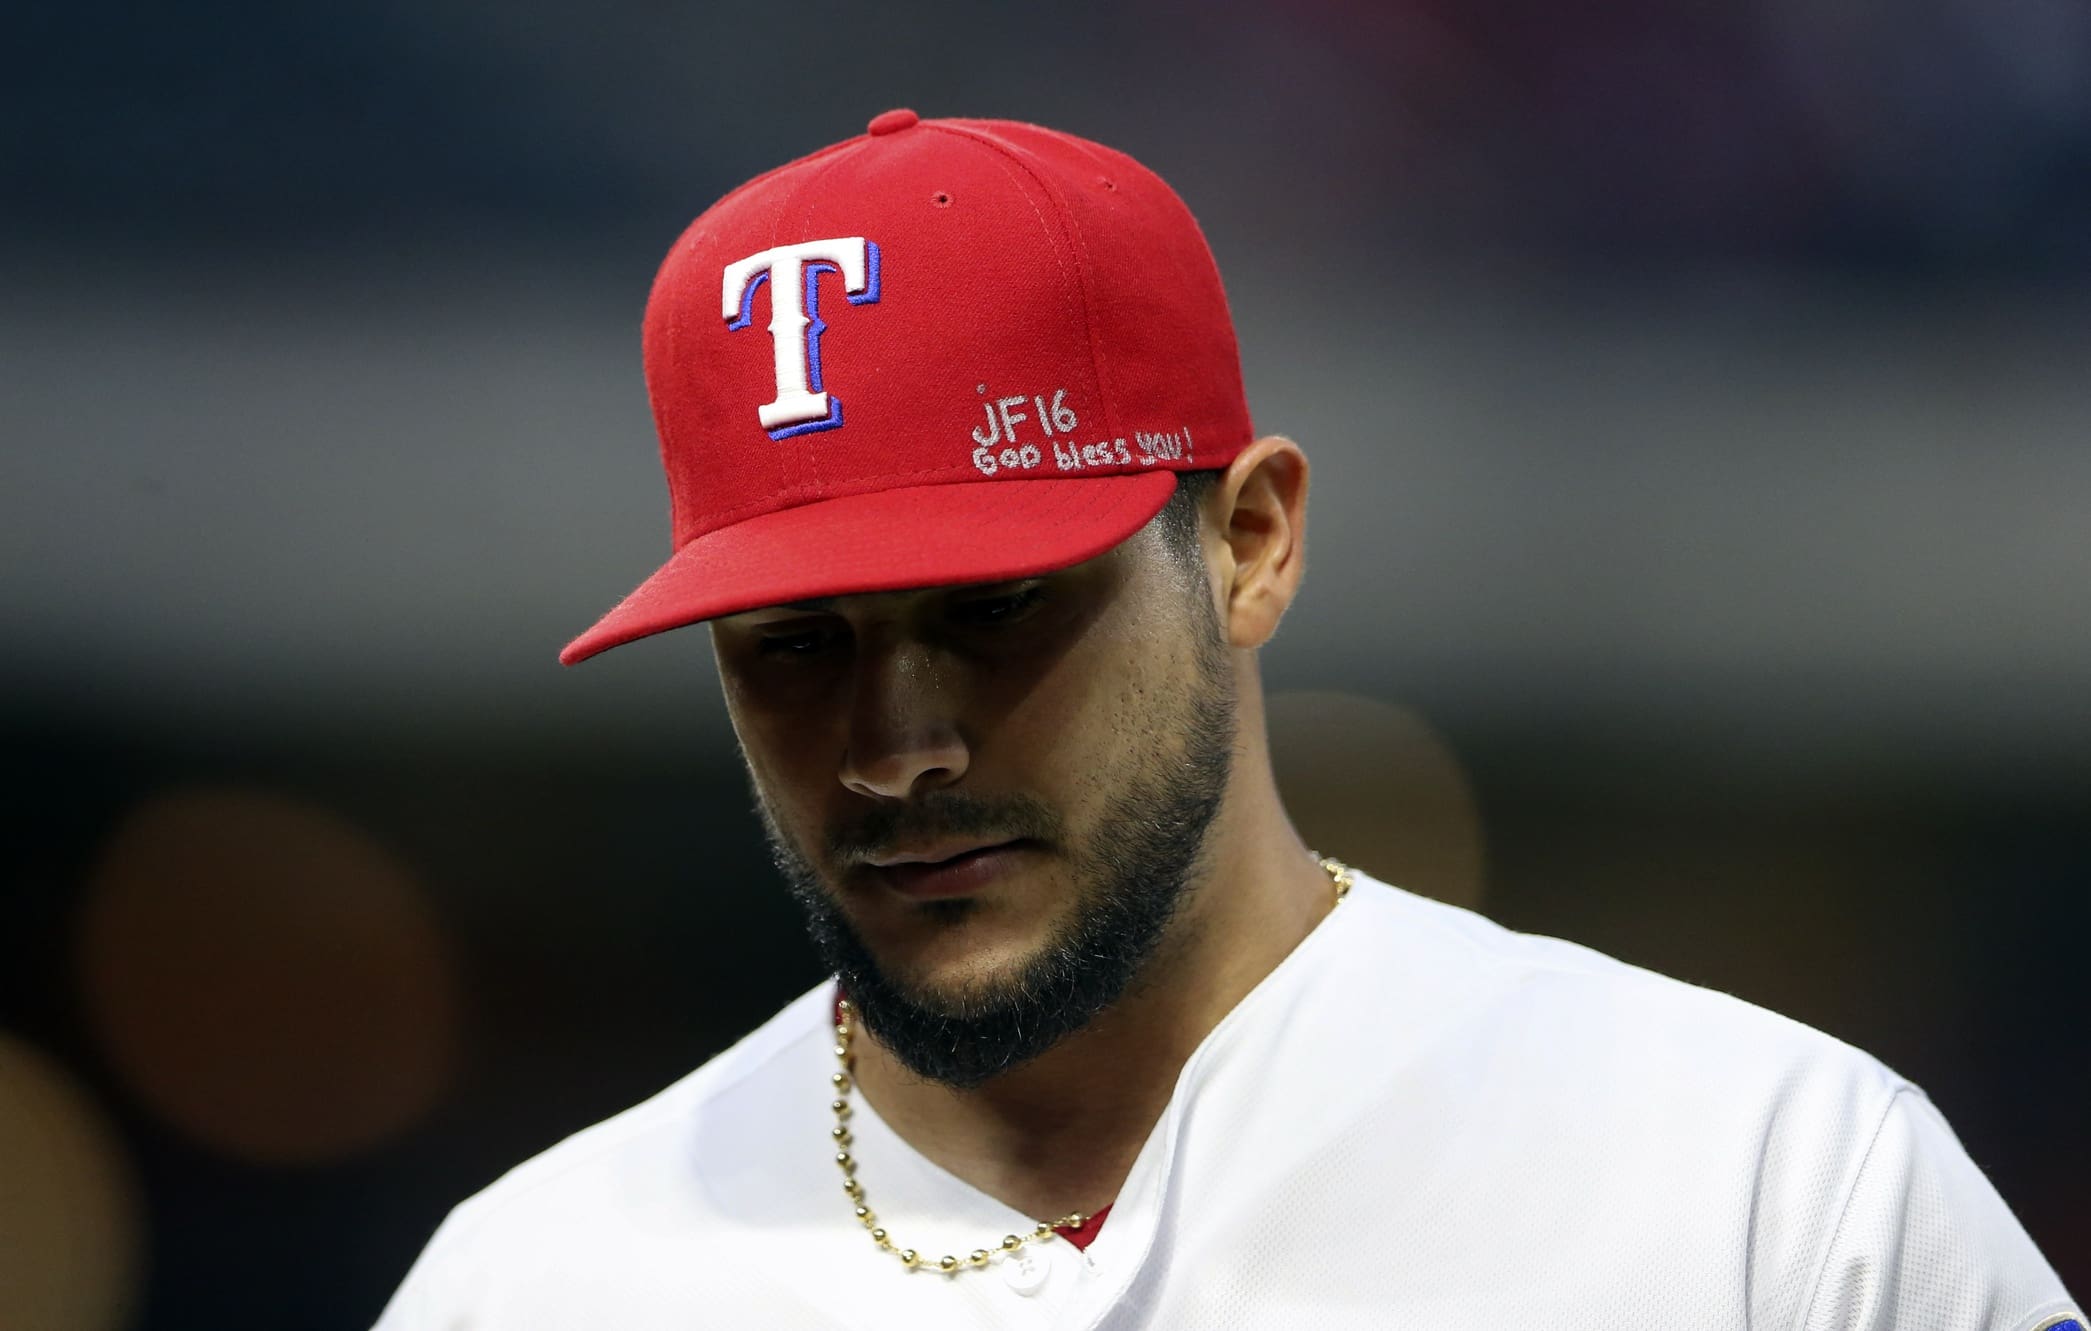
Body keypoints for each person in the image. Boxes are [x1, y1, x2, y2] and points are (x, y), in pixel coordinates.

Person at [373, 110, 2079, 1330]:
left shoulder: (1764, 1193)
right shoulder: (528, 1286)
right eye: (793, 645)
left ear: (1249, 542)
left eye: (996, 609)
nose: (898, 746)